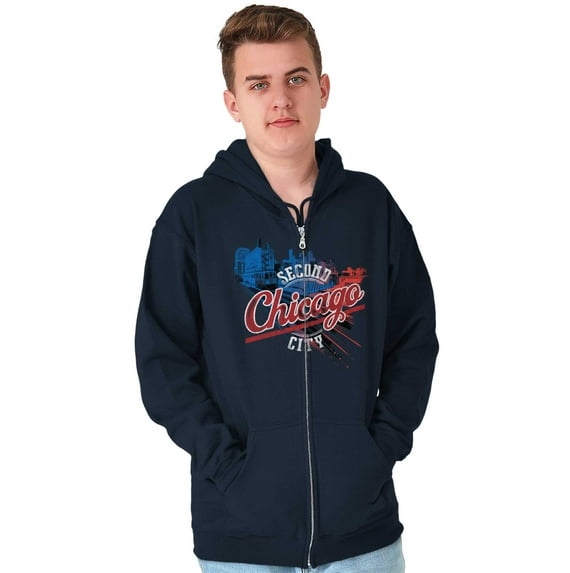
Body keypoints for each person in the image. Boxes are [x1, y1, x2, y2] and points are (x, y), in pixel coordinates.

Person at [135, 5, 439, 572]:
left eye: (296, 79)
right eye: (259, 84)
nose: (281, 100)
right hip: (240, 539)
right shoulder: (194, 215)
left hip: (363, 535)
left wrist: (378, 452)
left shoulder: (371, 208)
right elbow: (163, 362)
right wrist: (228, 468)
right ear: (233, 103)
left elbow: (414, 341)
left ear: (322, 89)